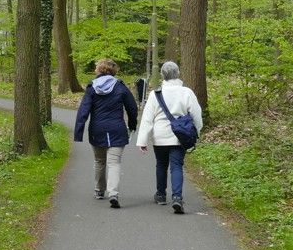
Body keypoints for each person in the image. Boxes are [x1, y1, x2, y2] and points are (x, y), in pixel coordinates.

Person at [136, 60, 204, 214]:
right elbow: (196, 114)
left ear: (162, 75)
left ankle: (160, 195)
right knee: (176, 166)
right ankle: (177, 198)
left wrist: (142, 140)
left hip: (160, 136)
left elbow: (147, 119)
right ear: (177, 73)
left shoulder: (155, 94)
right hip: (179, 136)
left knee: (161, 164)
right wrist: (197, 132)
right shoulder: (186, 92)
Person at [74, 58, 139, 208]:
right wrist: (132, 125)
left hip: (97, 130)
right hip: (117, 129)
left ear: (99, 70)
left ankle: (99, 190)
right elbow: (132, 108)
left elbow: (83, 111)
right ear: (113, 71)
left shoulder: (91, 87)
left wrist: (78, 132)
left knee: (99, 161)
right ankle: (113, 193)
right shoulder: (120, 86)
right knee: (114, 162)